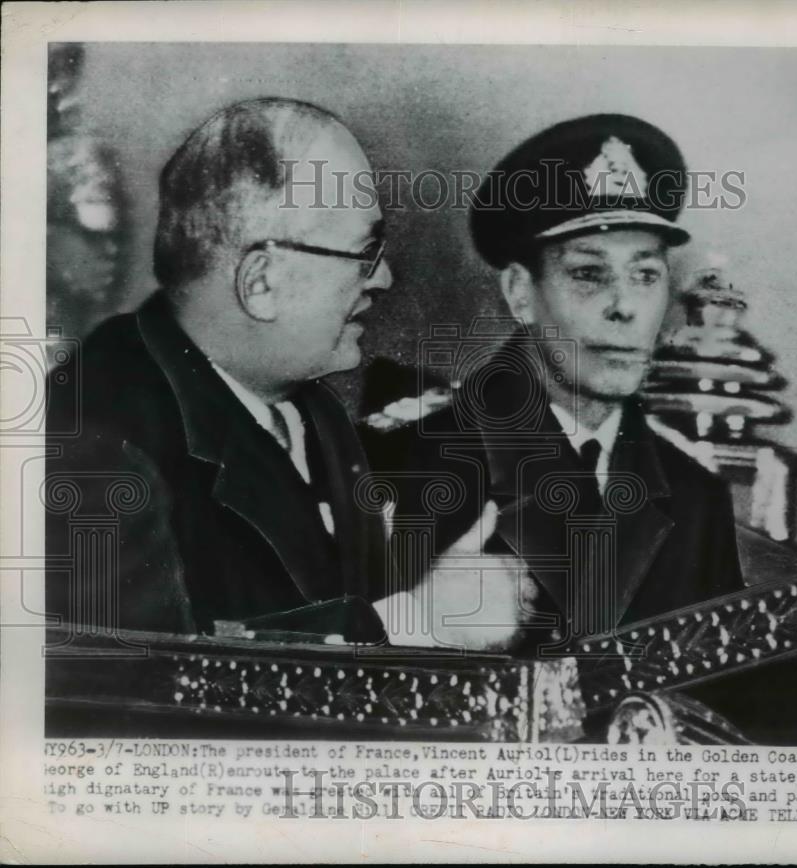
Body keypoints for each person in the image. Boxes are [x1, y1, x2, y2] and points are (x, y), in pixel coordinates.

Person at [364, 114, 745, 655]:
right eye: (589, 274)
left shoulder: (693, 493)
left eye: (645, 275)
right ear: (521, 293)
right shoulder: (407, 462)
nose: (625, 308)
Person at [46, 97, 399, 640]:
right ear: (258, 283)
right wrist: (405, 625)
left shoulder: (307, 407)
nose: (383, 280)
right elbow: (139, 691)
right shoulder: (95, 444)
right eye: (365, 254)